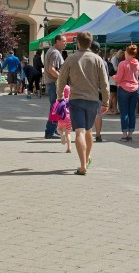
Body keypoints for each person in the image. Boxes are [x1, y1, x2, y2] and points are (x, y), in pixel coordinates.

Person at [57, 31, 110, 175]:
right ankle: (86, 160)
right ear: (90, 42)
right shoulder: (97, 59)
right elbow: (105, 83)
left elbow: (61, 79)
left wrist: (60, 96)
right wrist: (106, 102)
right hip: (92, 100)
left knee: (79, 132)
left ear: (78, 42)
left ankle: (82, 166)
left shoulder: (71, 59)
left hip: (76, 100)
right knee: (88, 132)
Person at [113, 45, 139, 142]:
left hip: (124, 89)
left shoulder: (122, 64)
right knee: (132, 112)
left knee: (124, 113)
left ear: (127, 53)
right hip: (135, 89)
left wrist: (113, 77)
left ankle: (124, 135)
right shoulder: (137, 63)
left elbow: (119, 78)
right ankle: (130, 134)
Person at [44, 36, 67, 139]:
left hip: (52, 83)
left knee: (55, 107)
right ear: (57, 41)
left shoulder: (53, 51)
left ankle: (53, 130)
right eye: (63, 41)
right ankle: (50, 131)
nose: (65, 43)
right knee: (55, 108)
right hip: (54, 83)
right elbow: (52, 69)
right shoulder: (55, 53)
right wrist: (61, 78)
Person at [90, 41, 106, 142]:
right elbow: (105, 80)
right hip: (99, 91)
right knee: (98, 114)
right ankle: (98, 135)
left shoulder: (85, 60)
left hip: (87, 91)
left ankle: (86, 134)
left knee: (87, 114)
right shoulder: (103, 62)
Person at [49, 85, 73, 153]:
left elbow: (55, 109)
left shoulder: (59, 100)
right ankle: (69, 148)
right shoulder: (70, 100)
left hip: (61, 118)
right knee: (68, 133)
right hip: (69, 119)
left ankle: (62, 135)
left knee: (59, 129)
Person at [108, 49, 122, 115]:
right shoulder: (114, 58)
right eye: (122, 55)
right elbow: (115, 68)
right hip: (112, 80)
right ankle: (108, 109)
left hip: (115, 80)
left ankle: (115, 109)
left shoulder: (116, 59)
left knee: (115, 95)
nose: (122, 57)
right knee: (112, 95)